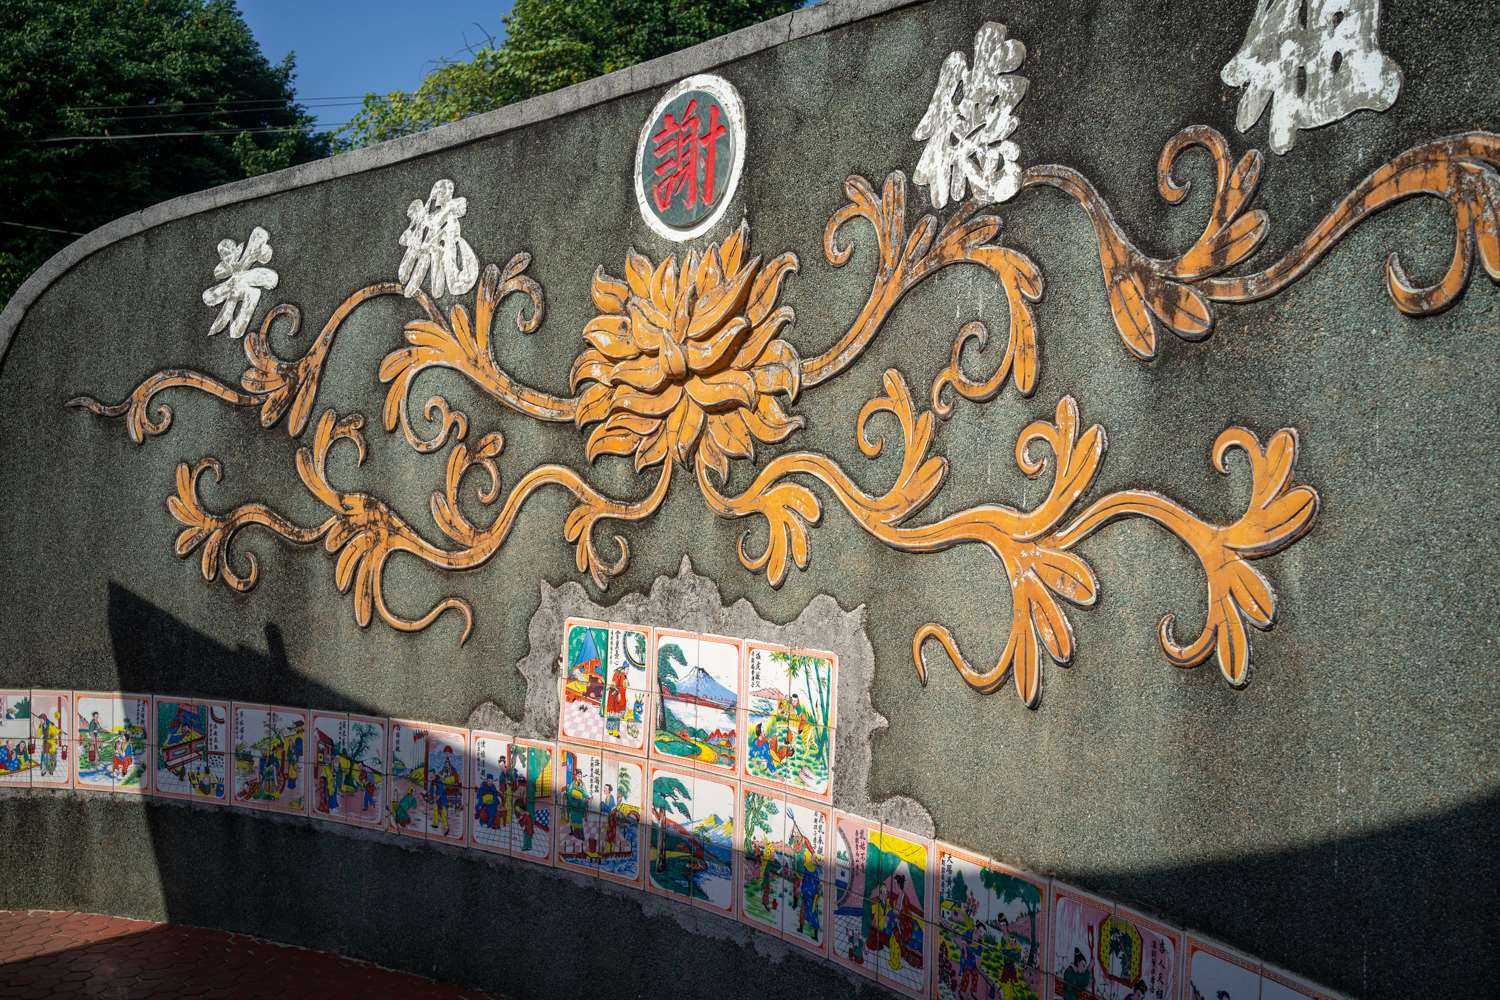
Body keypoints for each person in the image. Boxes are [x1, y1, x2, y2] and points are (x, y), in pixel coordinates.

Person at [605, 666, 628, 737]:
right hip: (615, 697)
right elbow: (621, 685)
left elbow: (622, 686)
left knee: (613, 714)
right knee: (614, 714)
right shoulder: (620, 675)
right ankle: (613, 731)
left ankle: (611, 730)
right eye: (626, 669)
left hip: (616, 696)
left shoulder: (620, 674)